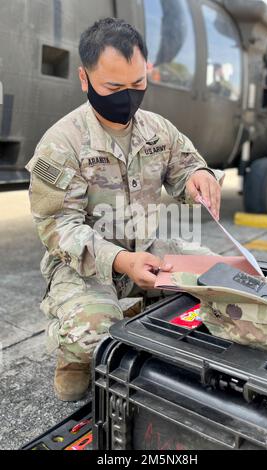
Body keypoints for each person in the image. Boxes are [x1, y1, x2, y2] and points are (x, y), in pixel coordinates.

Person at [25, 18, 225, 401]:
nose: (128, 97)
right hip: (85, 266)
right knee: (97, 340)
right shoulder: (61, 143)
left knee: (219, 279)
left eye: (138, 85)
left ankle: (140, 316)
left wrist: (200, 176)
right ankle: (74, 350)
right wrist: (119, 260)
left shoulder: (158, 129)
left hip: (149, 253)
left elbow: (185, 167)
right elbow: (58, 229)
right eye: (114, 87)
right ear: (84, 79)